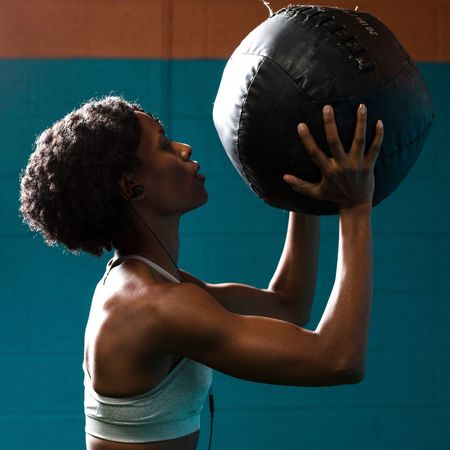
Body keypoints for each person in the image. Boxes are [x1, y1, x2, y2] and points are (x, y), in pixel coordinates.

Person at [19, 96, 384, 450]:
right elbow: (339, 360)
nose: (184, 148)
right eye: (163, 145)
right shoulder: (154, 305)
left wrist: (300, 193)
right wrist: (354, 207)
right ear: (132, 186)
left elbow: (288, 305)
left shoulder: (148, 281)